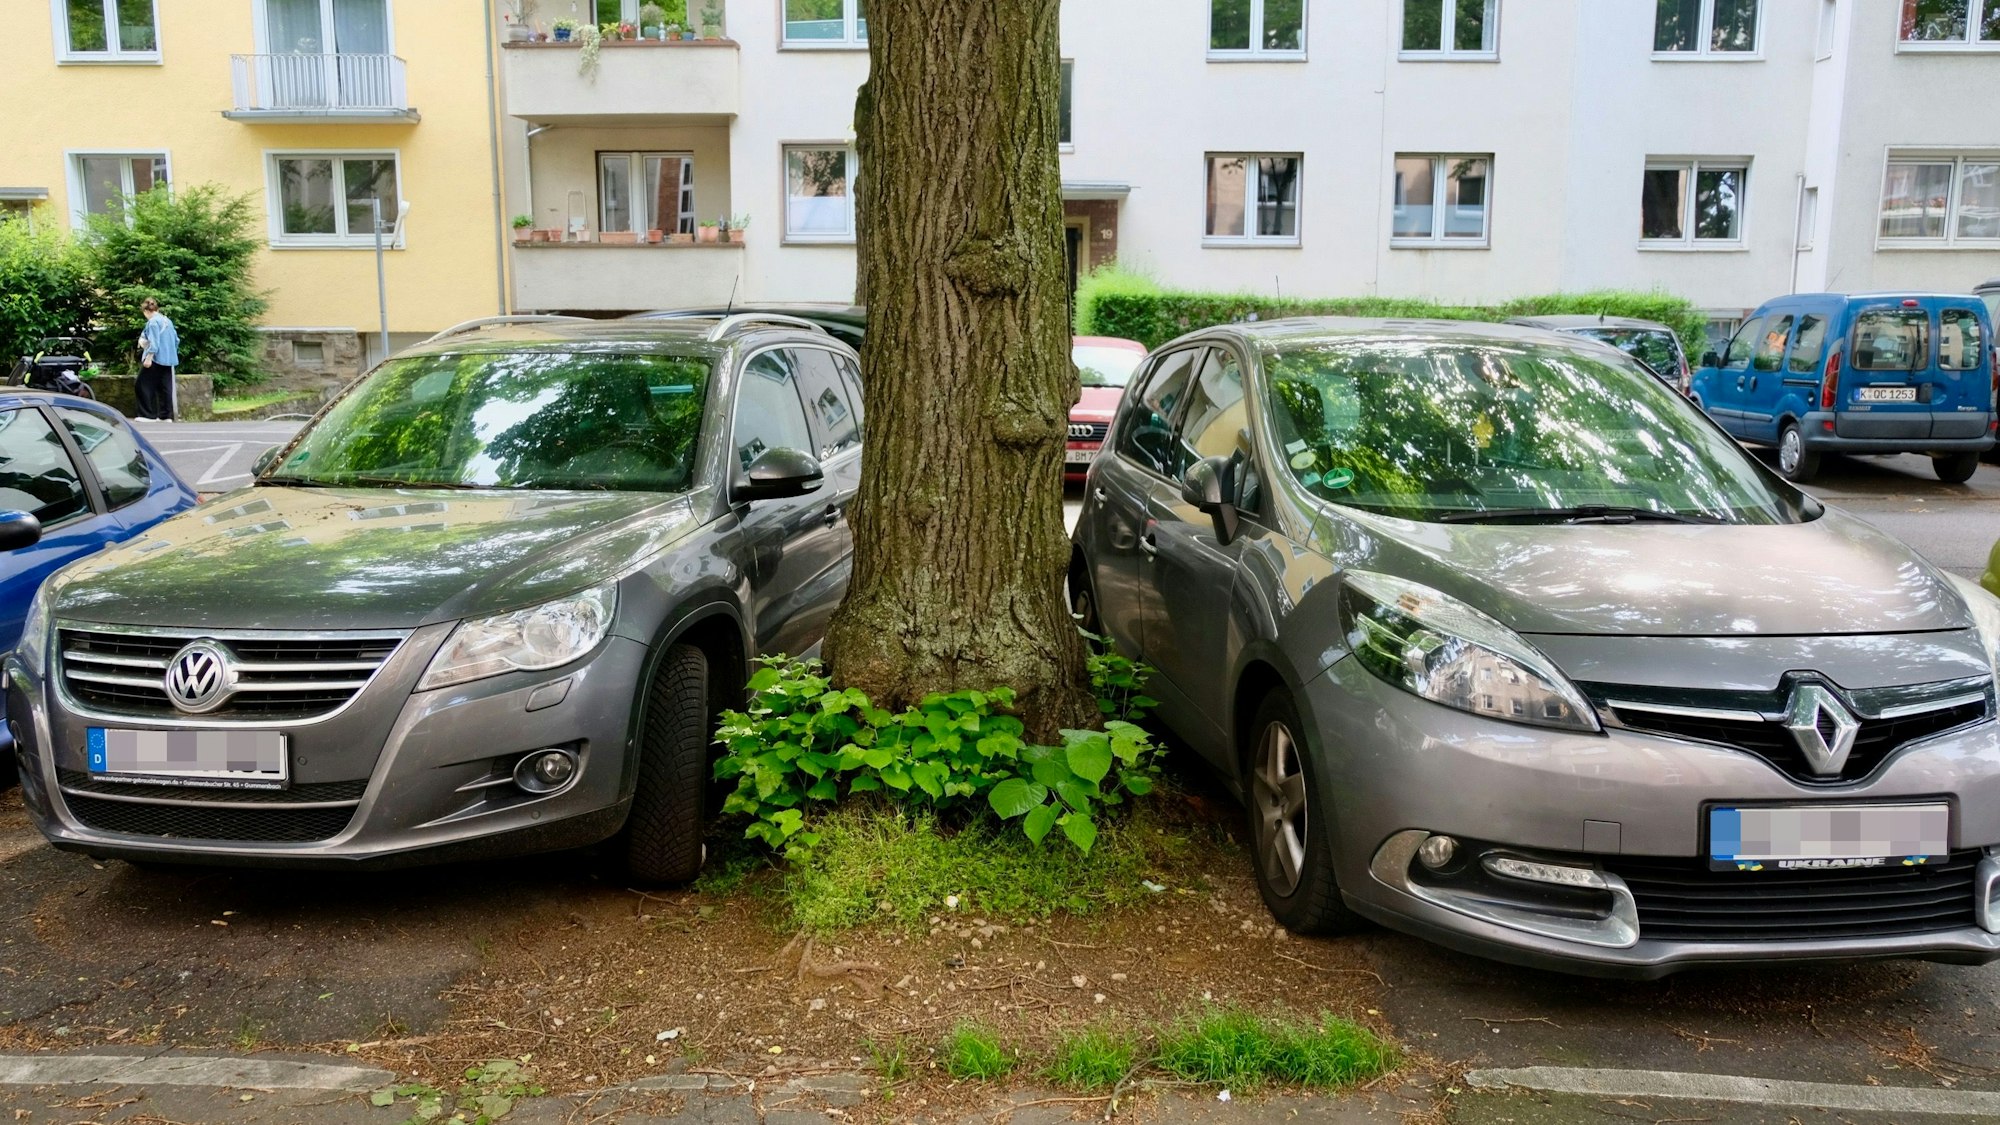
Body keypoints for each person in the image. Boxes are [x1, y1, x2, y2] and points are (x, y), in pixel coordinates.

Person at [136, 297, 180, 421]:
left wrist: (149, 358)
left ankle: (147, 414)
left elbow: (154, 343)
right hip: (169, 359)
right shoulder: (168, 321)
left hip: (155, 358)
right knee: (165, 387)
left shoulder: (153, 322)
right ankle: (165, 415)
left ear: (146, 311)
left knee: (142, 385)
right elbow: (176, 340)